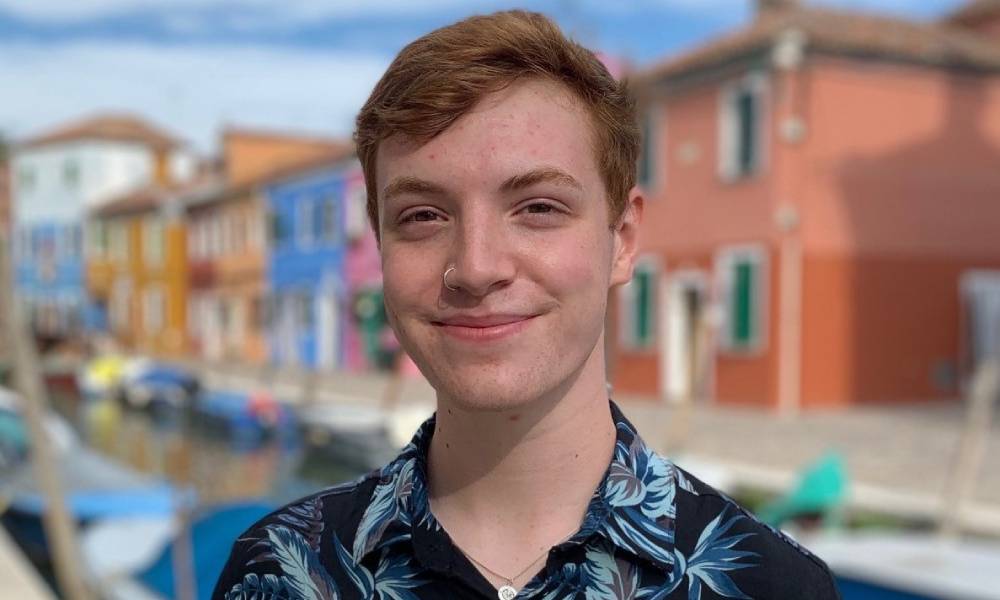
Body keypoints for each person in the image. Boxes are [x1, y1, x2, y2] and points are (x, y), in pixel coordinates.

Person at [213, 10, 841, 600]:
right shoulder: (277, 570)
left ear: (622, 241)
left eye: (538, 207)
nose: (478, 268)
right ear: (379, 248)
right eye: (423, 216)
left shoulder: (773, 587)